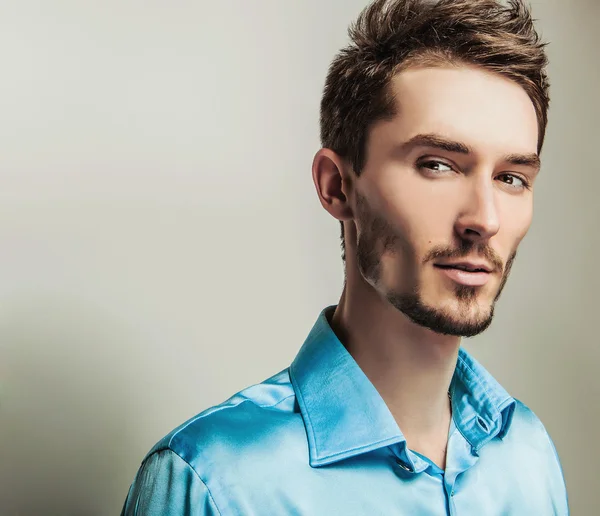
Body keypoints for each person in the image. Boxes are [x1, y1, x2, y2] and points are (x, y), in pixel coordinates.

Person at [121, 0, 569, 513]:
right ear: (337, 186)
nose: (484, 219)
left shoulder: (528, 457)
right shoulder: (216, 480)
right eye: (438, 165)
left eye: (511, 178)